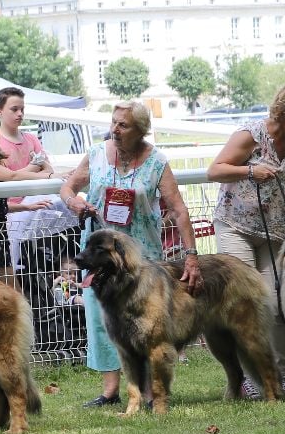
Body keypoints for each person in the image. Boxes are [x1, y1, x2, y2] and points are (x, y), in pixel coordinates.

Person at [59, 101, 203, 408]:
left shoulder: (156, 162)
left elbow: (178, 208)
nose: (115, 129)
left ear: (140, 130)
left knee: (147, 324)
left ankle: (150, 393)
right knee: (101, 319)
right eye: (113, 123)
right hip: (99, 254)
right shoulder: (98, 154)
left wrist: (191, 255)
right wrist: (73, 201)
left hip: (143, 258)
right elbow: (69, 186)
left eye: (123, 125)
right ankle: (110, 390)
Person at [208, 78, 285, 399]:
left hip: (274, 233)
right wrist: (249, 171)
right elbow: (214, 170)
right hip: (235, 227)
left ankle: (282, 375)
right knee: (244, 304)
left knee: (277, 303)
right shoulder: (250, 136)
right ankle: (248, 378)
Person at [0, 110, 57, 286]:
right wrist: (49, 176)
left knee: (2, 289)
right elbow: (12, 177)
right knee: (3, 290)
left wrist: (27, 206)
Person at [0, 86, 56, 212]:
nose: (20, 114)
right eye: (14, 109)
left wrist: (23, 175)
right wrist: (35, 167)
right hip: (10, 211)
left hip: (40, 204)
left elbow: (49, 170)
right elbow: (6, 180)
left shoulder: (31, 139)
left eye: (22, 109)